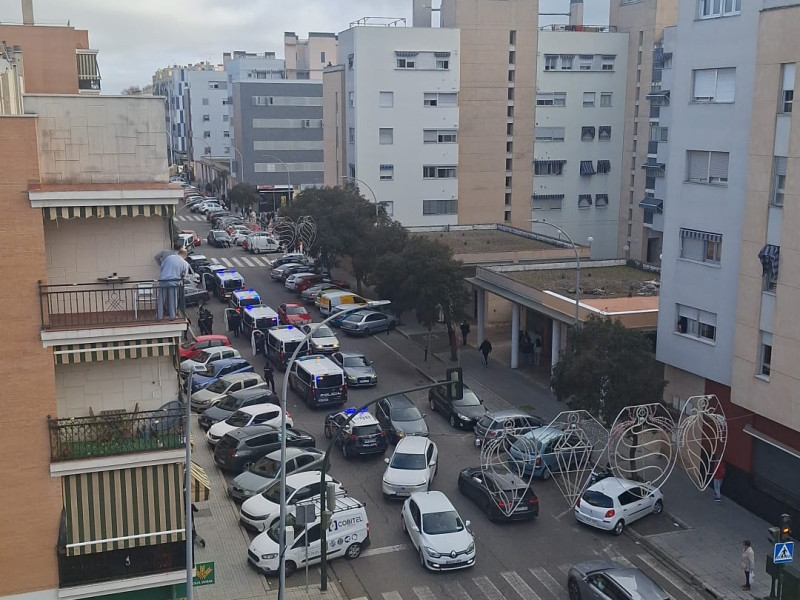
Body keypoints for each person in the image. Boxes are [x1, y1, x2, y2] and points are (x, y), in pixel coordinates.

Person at [157, 247, 189, 320]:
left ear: (179, 253)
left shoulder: (169, 257)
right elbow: (184, 275)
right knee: (173, 300)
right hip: (174, 282)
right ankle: (172, 316)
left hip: (163, 280)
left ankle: (159, 316)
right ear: (185, 255)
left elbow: (162, 266)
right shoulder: (185, 263)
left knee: (161, 299)